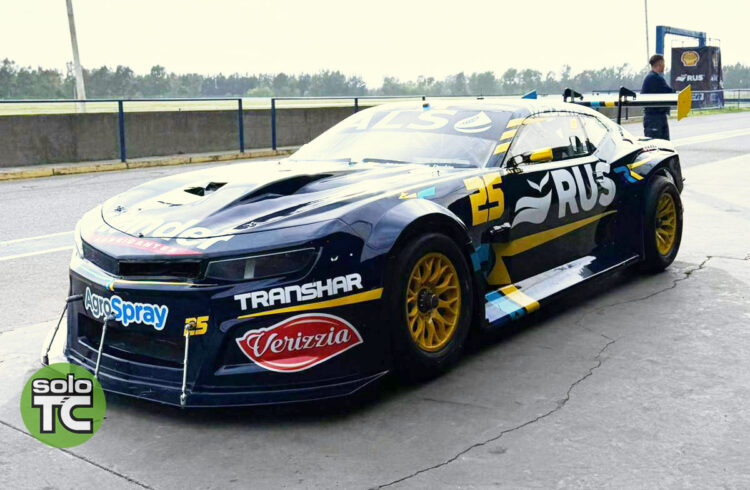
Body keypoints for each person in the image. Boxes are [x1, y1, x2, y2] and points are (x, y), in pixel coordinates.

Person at [641, 54, 675, 140]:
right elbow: (669, 92)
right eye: (663, 63)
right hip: (654, 119)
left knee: (663, 146)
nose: (664, 66)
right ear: (659, 64)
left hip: (657, 117)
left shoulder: (651, 77)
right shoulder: (654, 79)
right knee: (657, 146)